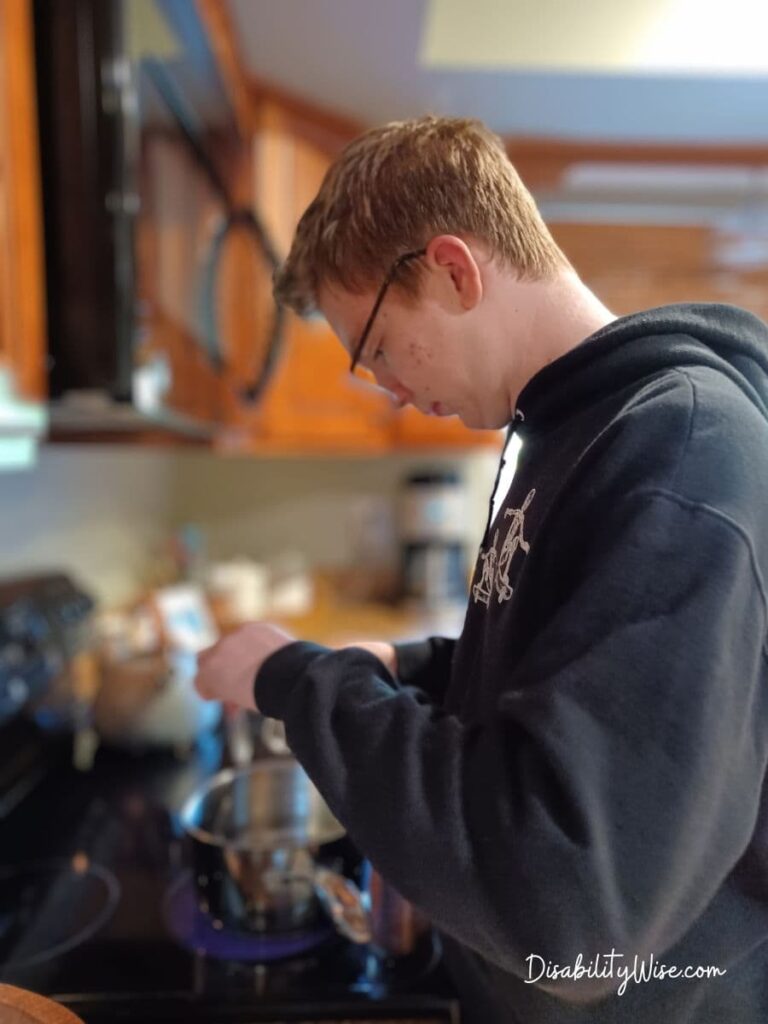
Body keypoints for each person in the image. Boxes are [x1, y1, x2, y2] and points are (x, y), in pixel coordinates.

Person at [194, 116, 768, 1023]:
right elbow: (564, 672)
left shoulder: (680, 449)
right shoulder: (555, 430)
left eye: (374, 348)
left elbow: (572, 911)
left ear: (455, 271)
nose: (384, 386)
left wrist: (297, 679)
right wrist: (416, 665)